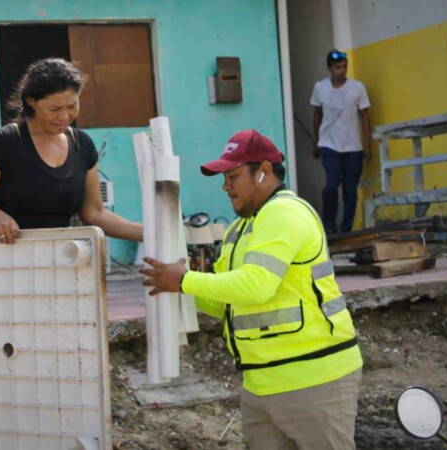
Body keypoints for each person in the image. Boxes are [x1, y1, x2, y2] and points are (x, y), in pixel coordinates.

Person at [140, 130, 363, 450]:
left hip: (314, 379)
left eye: (233, 176)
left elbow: (257, 286)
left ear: (264, 172)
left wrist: (184, 281)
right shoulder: (241, 228)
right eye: (224, 178)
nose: (225, 186)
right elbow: (227, 304)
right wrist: (176, 286)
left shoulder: (284, 212)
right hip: (261, 385)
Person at [0, 58, 142, 244]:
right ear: (31, 101)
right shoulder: (4, 144)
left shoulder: (83, 145)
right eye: (55, 109)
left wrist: (147, 233)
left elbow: (95, 214)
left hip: (59, 255)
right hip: (5, 253)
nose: (65, 116)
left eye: (72, 106)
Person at [311, 49, 372, 234]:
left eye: (344, 67)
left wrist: (367, 145)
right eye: (337, 67)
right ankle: (329, 227)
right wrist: (316, 141)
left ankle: (346, 230)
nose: (342, 71)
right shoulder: (320, 88)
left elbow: (365, 116)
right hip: (329, 145)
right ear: (329, 68)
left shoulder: (357, 88)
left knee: (350, 192)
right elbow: (316, 114)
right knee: (331, 186)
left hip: (353, 148)